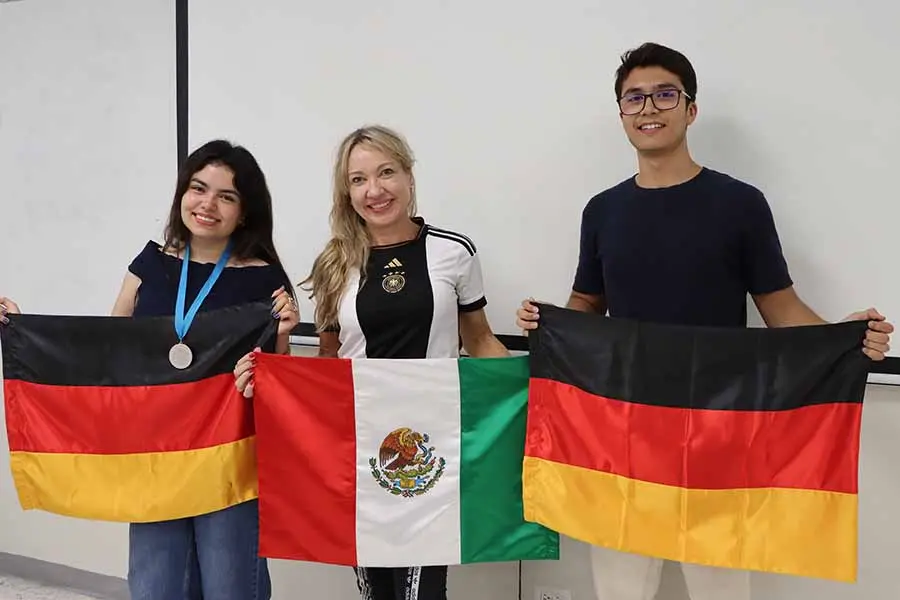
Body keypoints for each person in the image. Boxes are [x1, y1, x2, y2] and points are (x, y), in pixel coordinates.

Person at [515, 42, 893, 600]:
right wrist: (548, 326)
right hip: (624, 428)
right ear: (620, 114)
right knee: (622, 585)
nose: (648, 108)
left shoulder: (740, 204)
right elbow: (587, 305)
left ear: (690, 109)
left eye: (664, 94)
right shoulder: (602, 211)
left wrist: (846, 339)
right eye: (633, 98)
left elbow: (780, 306)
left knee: (720, 586)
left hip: (719, 428)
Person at [2, 139, 299, 600]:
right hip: (154, 456)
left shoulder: (266, 281)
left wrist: (281, 337)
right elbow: (107, 353)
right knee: (155, 587)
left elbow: (279, 384)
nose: (208, 204)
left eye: (227, 196)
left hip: (229, 464)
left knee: (231, 587)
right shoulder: (149, 265)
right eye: (199, 188)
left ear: (245, 211)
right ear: (182, 192)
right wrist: (22, 329)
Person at [234, 124, 509, 600]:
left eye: (386, 173)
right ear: (347, 191)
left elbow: (481, 341)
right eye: (359, 179)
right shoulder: (335, 263)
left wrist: (538, 388)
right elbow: (327, 360)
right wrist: (277, 376)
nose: (375, 190)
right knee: (375, 586)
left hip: (431, 445)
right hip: (358, 446)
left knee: (423, 588)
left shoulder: (453, 252)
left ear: (408, 175)